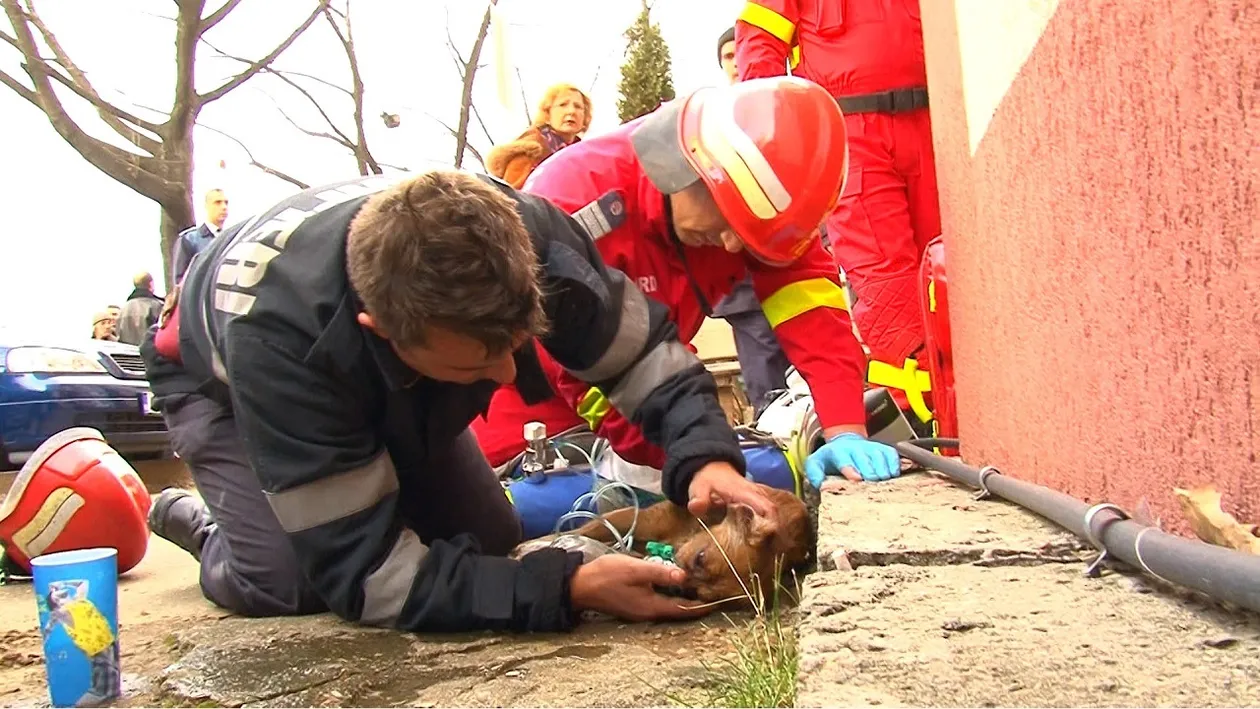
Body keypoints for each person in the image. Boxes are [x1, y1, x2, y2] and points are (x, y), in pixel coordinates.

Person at [140, 170, 776, 633]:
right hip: (222, 392)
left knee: (490, 536)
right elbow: (369, 579)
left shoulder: (524, 236)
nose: (505, 376)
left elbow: (642, 357)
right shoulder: (283, 346)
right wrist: (569, 586)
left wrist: (705, 457)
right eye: (477, 360)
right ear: (381, 329)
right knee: (292, 581)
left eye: (516, 344)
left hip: (389, 375)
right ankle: (201, 526)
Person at [470, 76, 901, 491]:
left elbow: (813, 312)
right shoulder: (576, 199)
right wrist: (690, 458)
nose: (733, 245)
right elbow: (573, 367)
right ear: (686, 166)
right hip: (526, 424)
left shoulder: (764, 195)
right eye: (729, 222)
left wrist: (845, 427)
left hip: (659, 397)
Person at [735, 0, 942, 427]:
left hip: (937, 122)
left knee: (948, 272)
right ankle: (914, 416)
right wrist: (784, 136)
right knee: (885, 280)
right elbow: (759, 50)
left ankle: (958, 403)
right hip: (853, 134)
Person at [708, 25, 792, 416]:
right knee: (768, 391)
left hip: (792, 263)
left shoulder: (790, 110)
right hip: (741, 279)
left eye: (742, 52)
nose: (737, 63)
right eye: (728, 56)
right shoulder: (707, 122)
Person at [486, 83, 592, 189]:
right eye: (563, 105)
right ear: (547, 113)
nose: (571, 111)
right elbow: (514, 198)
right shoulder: (530, 150)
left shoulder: (583, 157)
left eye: (578, 106)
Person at [171, 188, 229, 283]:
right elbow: (180, 281)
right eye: (218, 202)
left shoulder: (231, 239)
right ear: (207, 206)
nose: (224, 207)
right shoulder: (190, 239)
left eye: (226, 203)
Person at [115, 271, 165, 345]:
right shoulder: (157, 306)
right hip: (150, 354)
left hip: (127, 355)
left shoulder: (123, 310)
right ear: (151, 284)